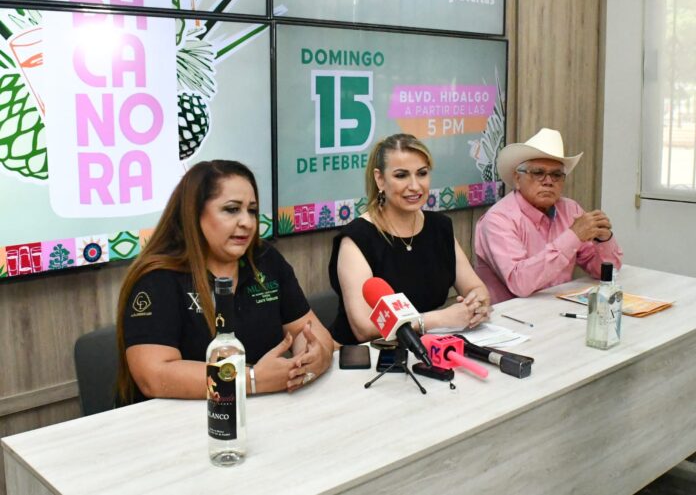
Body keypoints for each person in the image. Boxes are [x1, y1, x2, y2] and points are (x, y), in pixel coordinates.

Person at [116, 160, 334, 404]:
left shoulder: (265, 259)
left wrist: (315, 356)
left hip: (262, 408)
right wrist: (250, 379)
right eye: (232, 209)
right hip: (180, 419)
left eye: (252, 210)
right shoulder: (158, 277)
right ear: (194, 214)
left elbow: (308, 330)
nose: (247, 222)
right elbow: (153, 376)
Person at [328, 133, 491, 345]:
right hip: (369, 355)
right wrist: (438, 319)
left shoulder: (440, 227)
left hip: (426, 348)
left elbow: (476, 288)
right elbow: (364, 329)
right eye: (401, 175)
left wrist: (476, 305)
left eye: (422, 173)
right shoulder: (357, 238)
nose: (415, 186)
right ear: (380, 179)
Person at [474, 128, 623, 304]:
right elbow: (520, 283)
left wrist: (604, 239)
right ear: (517, 179)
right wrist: (573, 236)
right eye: (538, 173)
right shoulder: (498, 219)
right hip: (511, 314)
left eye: (556, 175)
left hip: (558, 308)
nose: (548, 181)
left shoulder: (570, 210)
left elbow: (605, 273)